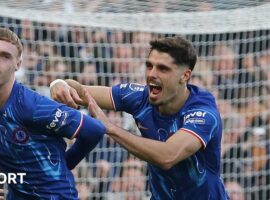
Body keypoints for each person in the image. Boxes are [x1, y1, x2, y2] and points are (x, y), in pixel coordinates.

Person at [50, 36, 230, 199]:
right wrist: (59, 84)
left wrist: (110, 128)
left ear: (185, 75)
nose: (152, 74)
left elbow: (168, 156)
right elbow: (81, 91)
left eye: (163, 69)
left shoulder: (203, 112)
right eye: (149, 65)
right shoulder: (139, 97)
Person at [0, 27, 106, 200]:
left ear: (17, 65)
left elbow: (94, 130)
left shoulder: (31, 105)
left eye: (5, 56)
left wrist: (66, 162)